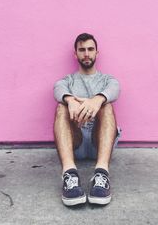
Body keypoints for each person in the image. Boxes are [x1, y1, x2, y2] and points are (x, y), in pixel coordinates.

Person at [53, 33, 121, 206]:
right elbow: (58, 89)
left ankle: (102, 174)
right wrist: (70, 101)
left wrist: (96, 100)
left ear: (97, 53)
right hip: (75, 141)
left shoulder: (107, 79)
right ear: (75, 54)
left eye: (90, 49)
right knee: (61, 106)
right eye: (82, 50)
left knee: (107, 105)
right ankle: (70, 175)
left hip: (100, 142)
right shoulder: (68, 80)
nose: (86, 54)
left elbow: (115, 89)